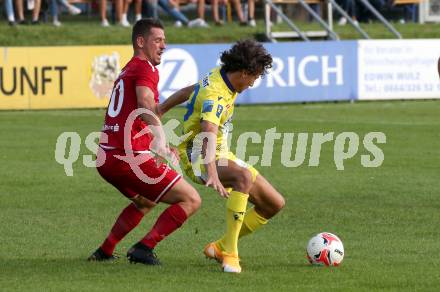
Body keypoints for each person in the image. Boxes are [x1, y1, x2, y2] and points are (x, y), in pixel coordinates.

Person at [160, 40, 285, 273]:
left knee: (273, 204)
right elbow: (207, 132)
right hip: (197, 156)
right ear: (244, 73)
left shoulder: (221, 75)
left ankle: (220, 247)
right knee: (243, 177)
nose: (253, 83)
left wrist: (160, 109)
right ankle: (230, 254)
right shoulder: (217, 93)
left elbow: (191, 90)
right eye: (254, 78)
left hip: (220, 153)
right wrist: (213, 173)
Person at [88, 19, 201, 265]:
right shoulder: (146, 69)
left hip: (106, 157)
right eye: (158, 40)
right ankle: (143, 248)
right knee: (191, 199)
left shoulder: (128, 69)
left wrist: (154, 141)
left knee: (146, 200)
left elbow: (134, 116)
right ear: (141, 42)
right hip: (127, 158)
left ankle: (105, 251)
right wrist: (160, 140)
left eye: (164, 41)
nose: (164, 46)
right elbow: (145, 105)